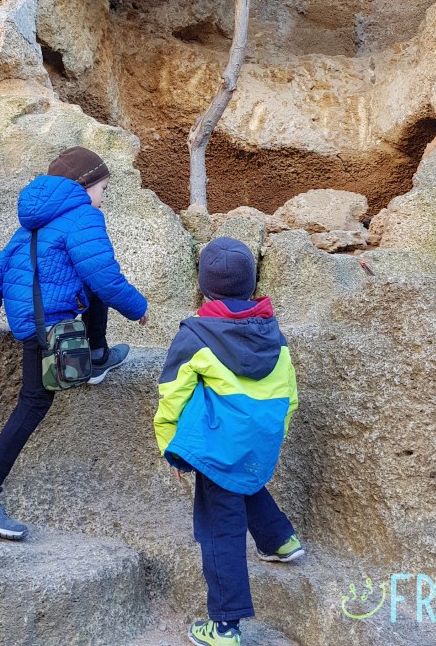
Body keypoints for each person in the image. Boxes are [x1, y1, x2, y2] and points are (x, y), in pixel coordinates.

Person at [0, 147, 148, 540]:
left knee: (89, 289)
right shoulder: (83, 216)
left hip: (32, 323)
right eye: (103, 188)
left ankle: (97, 357)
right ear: (86, 185)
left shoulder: (29, 226)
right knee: (34, 402)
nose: (103, 197)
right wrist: (138, 308)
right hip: (49, 329)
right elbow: (105, 275)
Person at [153, 237, 301, 646]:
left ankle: (224, 626)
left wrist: (171, 448)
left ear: (203, 287)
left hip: (218, 444)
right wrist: (273, 437)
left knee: (220, 529)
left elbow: (172, 395)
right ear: (252, 285)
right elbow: (290, 394)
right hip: (262, 436)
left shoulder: (195, 333)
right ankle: (280, 540)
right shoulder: (273, 333)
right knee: (240, 480)